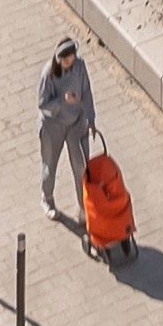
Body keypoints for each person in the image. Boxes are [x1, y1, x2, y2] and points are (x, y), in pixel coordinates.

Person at [37, 39, 96, 226]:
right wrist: (62, 100)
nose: (69, 61)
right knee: (50, 163)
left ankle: (83, 208)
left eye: (71, 57)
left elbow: (86, 91)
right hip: (53, 125)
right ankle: (47, 199)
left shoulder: (80, 67)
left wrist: (91, 119)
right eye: (65, 59)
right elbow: (42, 104)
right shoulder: (49, 74)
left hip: (76, 123)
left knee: (81, 166)